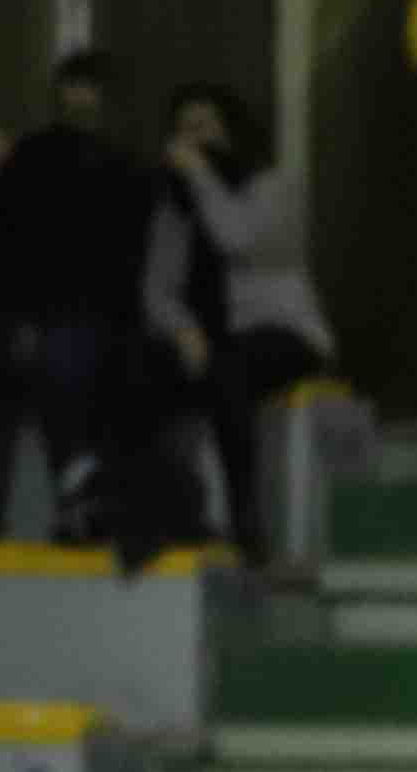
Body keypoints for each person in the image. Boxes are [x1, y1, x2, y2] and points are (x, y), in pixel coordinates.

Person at [0, 47, 153, 541]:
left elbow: (123, 266)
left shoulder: (131, 169)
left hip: (84, 315)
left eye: (88, 87)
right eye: (70, 87)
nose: (77, 98)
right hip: (2, 312)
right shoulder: (27, 154)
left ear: (112, 99)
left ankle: (81, 507)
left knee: (64, 366)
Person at [134, 79, 326, 565]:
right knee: (142, 368)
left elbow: (237, 238)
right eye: (183, 131)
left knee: (227, 372)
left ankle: (248, 527)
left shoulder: (276, 186)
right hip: (209, 339)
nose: (193, 140)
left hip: (282, 331)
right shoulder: (175, 207)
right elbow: (156, 289)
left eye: (204, 127)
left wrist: (200, 176)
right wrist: (182, 328)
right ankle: (177, 516)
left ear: (232, 131)